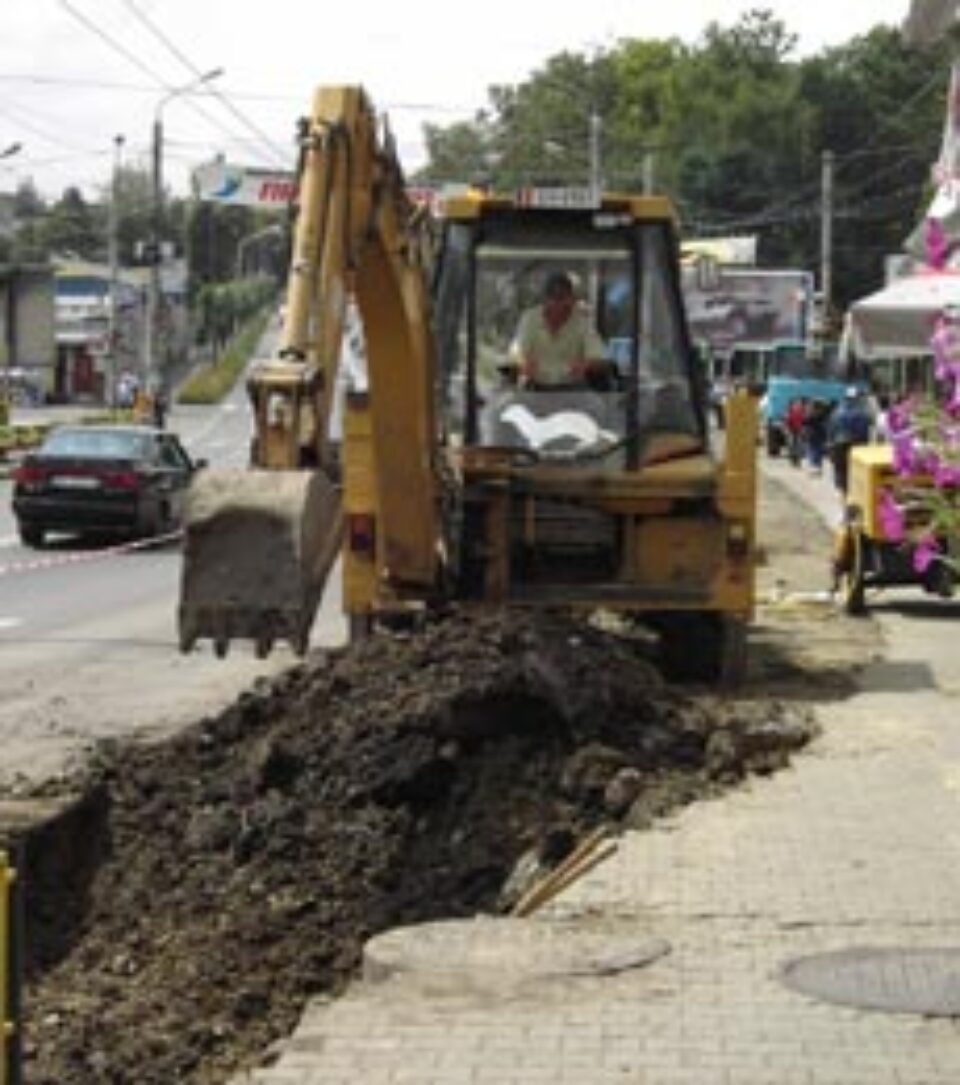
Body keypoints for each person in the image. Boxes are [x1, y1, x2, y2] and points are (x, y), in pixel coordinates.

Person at [510, 271, 608, 388]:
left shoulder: (583, 322)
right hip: (534, 387)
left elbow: (599, 358)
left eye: (563, 297)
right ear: (545, 299)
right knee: (509, 405)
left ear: (571, 299)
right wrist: (523, 363)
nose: (558, 304)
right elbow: (516, 351)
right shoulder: (530, 319)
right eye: (554, 297)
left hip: (573, 388)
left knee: (596, 405)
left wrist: (586, 365)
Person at [827, 386, 872, 494]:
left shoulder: (836, 412)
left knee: (842, 476)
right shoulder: (861, 413)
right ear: (856, 398)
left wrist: (830, 446)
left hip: (838, 446)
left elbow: (831, 432)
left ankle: (844, 503)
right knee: (856, 474)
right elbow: (864, 433)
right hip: (855, 445)